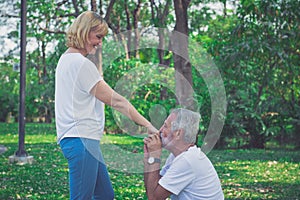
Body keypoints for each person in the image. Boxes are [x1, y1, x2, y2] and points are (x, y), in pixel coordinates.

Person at [55, 11, 157, 200]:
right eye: (98, 36)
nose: (100, 42)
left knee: (104, 195)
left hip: (82, 140)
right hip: (81, 140)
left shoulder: (65, 59)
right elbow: (117, 101)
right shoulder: (80, 64)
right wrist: (148, 126)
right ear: (85, 32)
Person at [143, 108, 224, 200]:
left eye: (165, 126)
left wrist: (155, 156)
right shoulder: (177, 155)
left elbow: (154, 198)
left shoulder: (188, 160)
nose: (160, 130)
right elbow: (153, 187)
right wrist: (148, 158)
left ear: (178, 133)